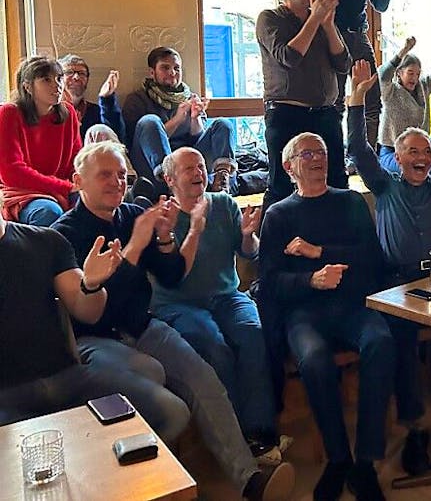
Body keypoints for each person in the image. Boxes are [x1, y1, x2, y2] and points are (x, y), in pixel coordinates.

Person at [53, 141, 293, 500]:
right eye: (105, 175)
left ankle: (250, 481)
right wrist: (135, 246)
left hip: (143, 326)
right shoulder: (63, 234)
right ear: (77, 181)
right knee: (171, 404)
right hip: (97, 340)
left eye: (121, 175)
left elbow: (170, 274)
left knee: (204, 377)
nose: (117, 182)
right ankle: (150, 488)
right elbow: (93, 309)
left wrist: (165, 238)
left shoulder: (134, 213)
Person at [346, 60, 431, 476]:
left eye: (426, 151)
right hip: (399, 284)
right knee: (401, 341)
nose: (421, 157)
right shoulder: (385, 185)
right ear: (398, 158)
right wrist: (355, 102)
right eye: (412, 152)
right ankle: (416, 432)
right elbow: (358, 151)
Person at [259, 132, 393, 501]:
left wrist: (318, 251)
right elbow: (269, 282)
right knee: (315, 360)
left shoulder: (350, 202)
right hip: (304, 312)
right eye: (307, 153)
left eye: (321, 151)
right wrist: (311, 280)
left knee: (381, 342)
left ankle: (364, 463)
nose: (317, 158)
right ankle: (338, 459)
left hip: (353, 306)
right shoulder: (278, 214)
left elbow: (371, 258)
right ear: (289, 167)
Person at [153, 147, 281, 459]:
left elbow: (249, 252)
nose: (199, 173)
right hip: (179, 303)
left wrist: (250, 235)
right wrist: (193, 229)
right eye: (189, 169)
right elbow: (172, 276)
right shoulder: (163, 217)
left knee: (253, 333)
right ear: (170, 179)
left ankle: (261, 433)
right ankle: (236, 439)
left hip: (227, 295)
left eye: (201, 167)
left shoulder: (223, 204)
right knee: (215, 347)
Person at [0, 197, 132, 425]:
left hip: (69, 378)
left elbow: (88, 313)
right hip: (6, 397)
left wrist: (92, 285)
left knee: (169, 411)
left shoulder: (45, 241)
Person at [256, 0, 352, 209]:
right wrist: (314, 19)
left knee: (336, 180)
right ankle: (272, 244)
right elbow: (289, 57)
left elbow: (343, 63)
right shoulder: (270, 18)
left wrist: (328, 25)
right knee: (282, 183)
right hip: (287, 113)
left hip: (326, 113)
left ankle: (335, 242)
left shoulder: (321, 20)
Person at [309, 0, 401, 147]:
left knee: (372, 96)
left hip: (358, 36)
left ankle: (365, 155)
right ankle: (336, 154)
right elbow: (312, 1)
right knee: (334, 100)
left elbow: (379, 5)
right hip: (328, 37)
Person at [122, 47, 236, 190]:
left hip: (188, 160)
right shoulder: (137, 99)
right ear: (152, 72)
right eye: (165, 68)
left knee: (223, 124)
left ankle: (221, 180)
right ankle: (169, 183)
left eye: (177, 68)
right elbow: (137, 142)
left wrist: (195, 118)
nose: (172, 73)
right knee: (149, 121)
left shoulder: (189, 97)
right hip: (154, 168)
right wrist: (177, 119)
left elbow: (197, 140)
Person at [0, 56, 81, 226]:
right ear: (27, 86)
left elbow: (77, 160)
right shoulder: (9, 113)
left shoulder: (69, 113)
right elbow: (12, 173)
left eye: (59, 78)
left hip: (62, 188)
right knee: (48, 211)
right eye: (46, 80)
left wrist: (83, 183)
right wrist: (65, 187)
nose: (57, 85)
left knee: (98, 203)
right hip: (22, 192)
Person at [377, 36, 431, 173]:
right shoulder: (390, 91)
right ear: (399, 73)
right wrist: (404, 51)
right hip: (392, 151)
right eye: (410, 73)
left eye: (417, 74)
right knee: (428, 171)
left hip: (423, 147)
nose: (414, 78)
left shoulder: (423, 86)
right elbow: (383, 75)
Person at [59, 54, 126, 141]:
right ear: (59, 78)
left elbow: (116, 139)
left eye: (82, 73)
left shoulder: (94, 111)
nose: (76, 77)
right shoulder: (51, 111)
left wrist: (106, 99)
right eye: (69, 72)